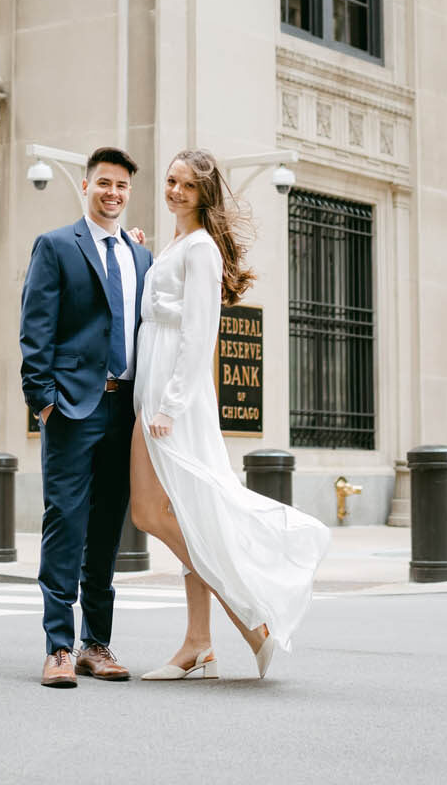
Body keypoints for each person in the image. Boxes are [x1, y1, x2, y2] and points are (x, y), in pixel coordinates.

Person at [128, 149, 331, 681]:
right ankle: (199, 642)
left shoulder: (201, 249)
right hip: (153, 397)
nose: (174, 191)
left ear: (204, 195)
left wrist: (170, 406)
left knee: (153, 513)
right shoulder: (178, 245)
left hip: (173, 403)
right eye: (171, 180)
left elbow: (199, 334)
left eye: (187, 187)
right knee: (184, 515)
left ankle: (247, 619)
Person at [18, 147, 153, 688]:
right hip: (73, 407)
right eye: (104, 183)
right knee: (65, 523)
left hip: (126, 408)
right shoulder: (55, 246)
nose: (113, 193)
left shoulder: (141, 257)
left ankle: (96, 644)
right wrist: (44, 402)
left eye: (121, 186)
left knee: (105, 530)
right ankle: (57, 646)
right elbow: (35, 330)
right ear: (86, 187)